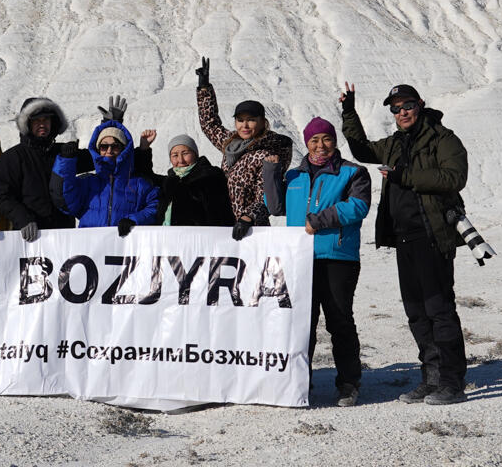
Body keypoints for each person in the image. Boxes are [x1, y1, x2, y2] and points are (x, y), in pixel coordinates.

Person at [339, 83, 470, 405]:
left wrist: (405, 175)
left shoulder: (443, 139)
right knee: (416, 312)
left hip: (433, 233)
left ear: (420, 104)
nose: (402, 112)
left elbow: (455, 178)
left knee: (439, 310)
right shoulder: (396, 142)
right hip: (404, 237)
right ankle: (431, 378)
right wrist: (348, 112)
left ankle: (452, 382)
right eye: (395, 108)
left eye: (407, 105)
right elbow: (362, 151)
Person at [272, 117, 372, 406]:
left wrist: (319, 220)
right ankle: (301, 382)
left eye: (326, 138)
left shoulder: (353, 173)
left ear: (334, 141)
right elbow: (275, 206)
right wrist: (269, 171)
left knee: (339, 321)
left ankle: (349, 383)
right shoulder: (293, 177)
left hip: (337, 257)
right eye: (314, 140)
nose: (320, 145)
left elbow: (358, 206)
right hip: (299, 260)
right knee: (302, 324)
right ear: (306, 143)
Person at [195, 57, 294, 238]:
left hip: (253, 229)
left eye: (251, 120)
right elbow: (210, 125)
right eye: (240, 120)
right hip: (226, 225)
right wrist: (204, 88)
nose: (245, 125)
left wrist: (248, 217)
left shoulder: (267, 155)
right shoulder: (230, 144)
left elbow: (265, 197)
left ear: (263, 122)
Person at [55, 101, 161, 233]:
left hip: (125, 248)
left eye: (115, 146)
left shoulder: (139, 183)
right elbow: (64, 199)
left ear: (124, 150)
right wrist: (66, 161)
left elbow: (155, 207)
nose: (109, 150)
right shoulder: (87, 183)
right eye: (104, 146)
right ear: (97, 150)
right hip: (91, 248)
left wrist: (134, 219)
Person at [0, 97, 75, 240]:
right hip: (30, 236)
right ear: (27, 124)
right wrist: (23, 219)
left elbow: (104, 155)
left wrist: (111, 125)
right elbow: (3, 197)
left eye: (46, 120)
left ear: (53, 122)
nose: (42, 124)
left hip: (64, 236)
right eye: (37, 120)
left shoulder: (64, 153)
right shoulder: (12, 157)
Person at [155, 133, 232, 227]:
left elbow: (222, 215)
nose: (181, 160)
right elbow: (145, 175)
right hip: (168, 237)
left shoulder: (210, 177)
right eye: (175, 155)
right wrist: (144, 149)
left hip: (198, 238)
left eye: (185, 153)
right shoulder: (170, 181)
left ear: (195, 154)